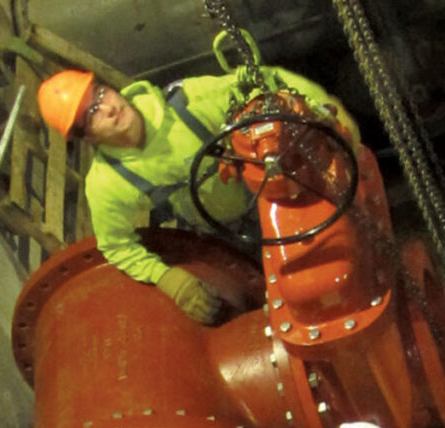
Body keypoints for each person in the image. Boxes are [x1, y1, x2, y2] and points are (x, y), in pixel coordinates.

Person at [36, 64, 358, 324]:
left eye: (101, 93)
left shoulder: (185, 103)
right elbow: (116, 246)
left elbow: (265, 81)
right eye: (91, 113)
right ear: (86, 137)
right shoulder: (109, 184)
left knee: (346, 252)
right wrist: (167, 279)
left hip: (282, 188)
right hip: (232, 236)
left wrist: (328, 114)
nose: (107, 107)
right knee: (296, 300)